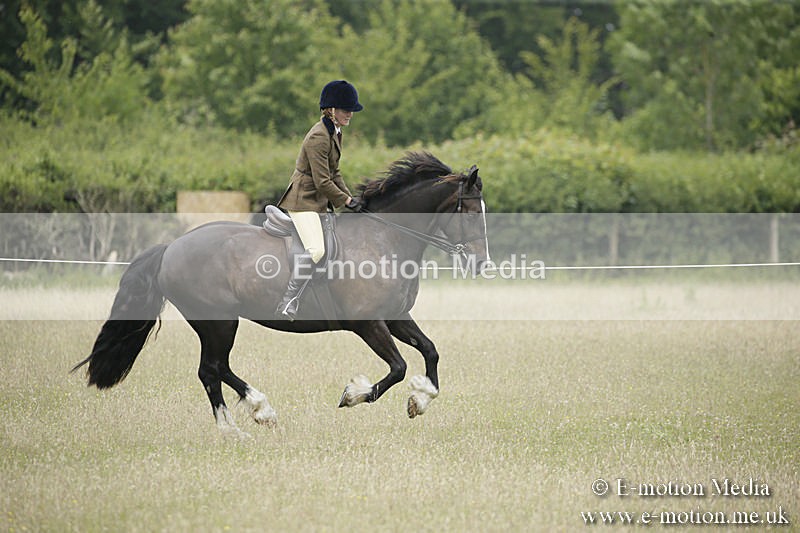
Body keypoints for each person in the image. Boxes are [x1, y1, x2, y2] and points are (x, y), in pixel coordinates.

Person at [275, 80, 364, 320]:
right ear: (331, 110)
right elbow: (322, 181)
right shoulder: (318, 137)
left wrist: (350, 198)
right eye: (346, 110)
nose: (350, 115)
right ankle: (289, 300)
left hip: (318, 200)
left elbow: (335, 173)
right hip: (302, 200)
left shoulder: (334, 131)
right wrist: (344, 201)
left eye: (351, 110)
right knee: (316, 250)